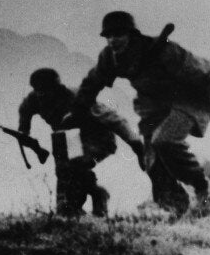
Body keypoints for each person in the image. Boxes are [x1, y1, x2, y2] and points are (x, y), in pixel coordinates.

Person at [69, 11, 210, 216]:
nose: (112, 40)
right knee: (151, 162)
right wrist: (78, 111)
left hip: (190, 100)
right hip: (154, 106)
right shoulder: (110, 57)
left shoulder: (165, 51)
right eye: (108, 36)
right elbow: (92, 83)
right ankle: (176, 207)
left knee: (164, 140)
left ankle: (204, 190)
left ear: (132, 34)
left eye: (118, 34)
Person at [19, 68, 143, 217]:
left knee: (75, 164)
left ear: (58, 88)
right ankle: (70, 207)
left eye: (48, 91)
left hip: (99, 138)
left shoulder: (78, 98)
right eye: (40, 92)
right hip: (69, 138)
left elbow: (114, 119)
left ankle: (88, 198)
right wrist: (26, 137)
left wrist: (135, 143)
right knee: (63, 168)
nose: (44, 96)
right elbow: (24, 124)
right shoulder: (33, 100)